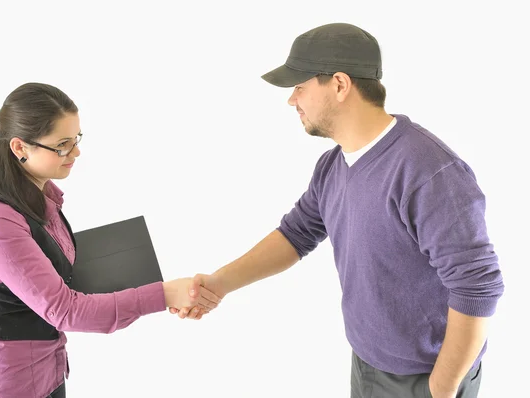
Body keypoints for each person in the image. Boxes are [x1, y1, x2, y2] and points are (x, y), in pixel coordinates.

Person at [171, 23, 505, 398]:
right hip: (366, 363)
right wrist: (218, 285)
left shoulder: (428, 170)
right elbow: (295, 235)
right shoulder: (333, 166)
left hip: (422, 378)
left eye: (299, 87)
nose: (291, 100)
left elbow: (477, 286)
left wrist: (442, 387)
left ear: (340, 85)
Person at [0, 82, 221, 398]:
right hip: (3, 386)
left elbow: (59, 275)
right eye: (63, 144)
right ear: (20, 147)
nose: (76, 152)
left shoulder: (41, 197)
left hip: (48, 372)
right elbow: (64, 311)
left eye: (76, 139)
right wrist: (163, 294)